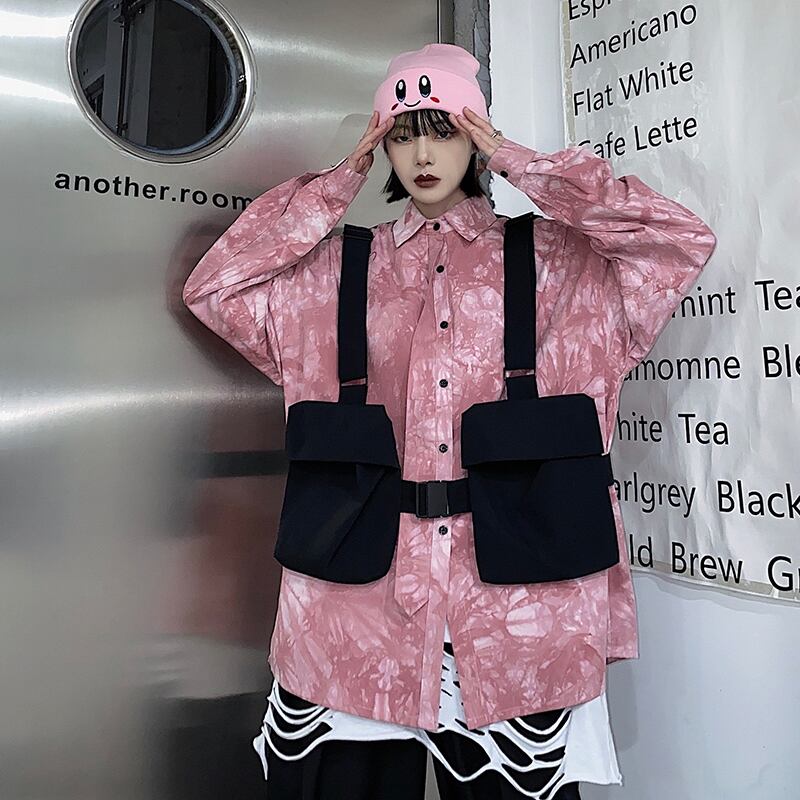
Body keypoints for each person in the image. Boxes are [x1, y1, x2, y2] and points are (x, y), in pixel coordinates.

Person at [182, 43, 717, 799]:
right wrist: (337, 185)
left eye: (444, 129)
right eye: (402, 135)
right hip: (352, 620)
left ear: (475, 136)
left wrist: (522, 163)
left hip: (512, 621)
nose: (423, 154)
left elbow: (678, 243)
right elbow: (216, 287)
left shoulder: (568, 270)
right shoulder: (334, 273)